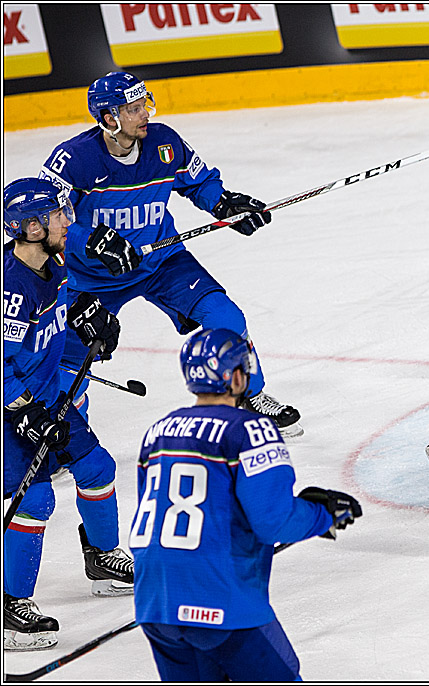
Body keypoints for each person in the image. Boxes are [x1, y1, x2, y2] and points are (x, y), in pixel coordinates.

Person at [38, 70, 302, 437]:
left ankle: (251, 396)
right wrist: (93, 241)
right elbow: (49, 220)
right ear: (110, 118)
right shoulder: (73, 159)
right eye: (133, 108)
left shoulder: (165, 142)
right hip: (92, 278)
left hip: (162, 261)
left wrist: (224, 204)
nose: (145, 113)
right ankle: (67, 433)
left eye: (144, 103)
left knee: (225, 315)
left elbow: (199, 181)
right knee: (69, 360)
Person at [130, 327, 361, 681]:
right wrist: (321, 515)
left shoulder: (157, 432)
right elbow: (274, 522)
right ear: (235, 376)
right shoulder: (250, 431)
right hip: (219, 599)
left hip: (155, 601)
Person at [3, 178, 135, 652]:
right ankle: (11, 609)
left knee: (97, 468)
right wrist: (26, 413)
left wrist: (85, 310)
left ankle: (103, 560)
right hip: (11, 409)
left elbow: (63, 293)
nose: (68, 220)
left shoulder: (49, 262)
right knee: (35, 501)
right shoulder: (10, 290)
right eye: (58, 215)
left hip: (41, 398)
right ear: (33, 227)